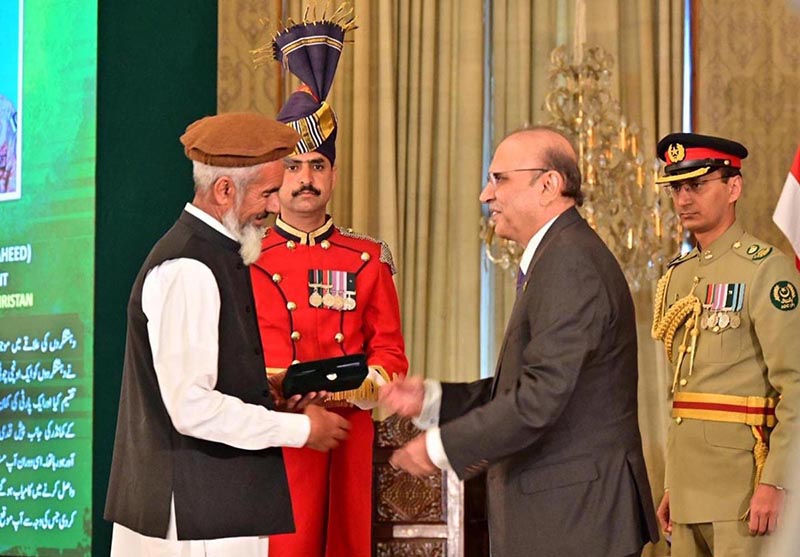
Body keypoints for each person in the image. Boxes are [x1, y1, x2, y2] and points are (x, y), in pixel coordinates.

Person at [380, 126, 659, 557]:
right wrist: (434, 400)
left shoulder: (569, 262)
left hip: (575, 520)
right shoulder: (559, 254)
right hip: (563, 516)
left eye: (499, 179)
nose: (485, 195)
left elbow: (539, 398)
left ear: (548, 184)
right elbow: (532, 384)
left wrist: (439, 447)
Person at [104, 112, 351, 557]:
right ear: (224, 190)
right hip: (193, 520)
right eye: (268, 192)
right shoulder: (188, 267)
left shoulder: (215, 255)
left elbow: (205, 383)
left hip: (216, 512)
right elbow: (190, 407)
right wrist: (297, 428)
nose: (277, 206)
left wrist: (265, 392)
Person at [249, 11, 408, 557]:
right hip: (278, 436)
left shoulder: (367, 258)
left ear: (334, 174)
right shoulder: (248, 258)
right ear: (275, 176)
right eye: (293, 167)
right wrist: (285, 391)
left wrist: (342, 389)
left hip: (347, 434)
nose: (306, 179)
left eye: (317, 165)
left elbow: (391, 354)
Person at [650, 132, 800, 556]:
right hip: (687, 489)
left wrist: (777, 481)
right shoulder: (678, 276)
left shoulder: (766, 271)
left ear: (733, 187)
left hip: (745, 492)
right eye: (677, 188)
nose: (683, 199)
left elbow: (796, 385)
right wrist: (670, 484)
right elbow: (681, 395)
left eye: (697, 185)